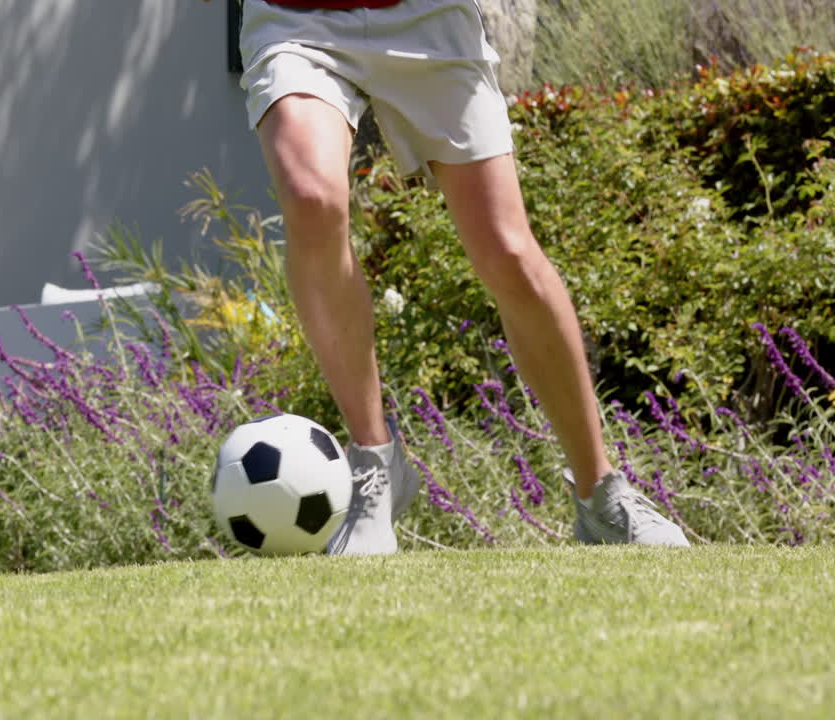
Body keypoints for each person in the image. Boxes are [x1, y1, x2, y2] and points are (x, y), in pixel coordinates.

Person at [231, 0, 690, 553]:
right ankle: (374, 465)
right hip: (296, 16)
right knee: (311, 198)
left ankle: (600, 494)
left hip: (429, 15)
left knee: (506, 250)